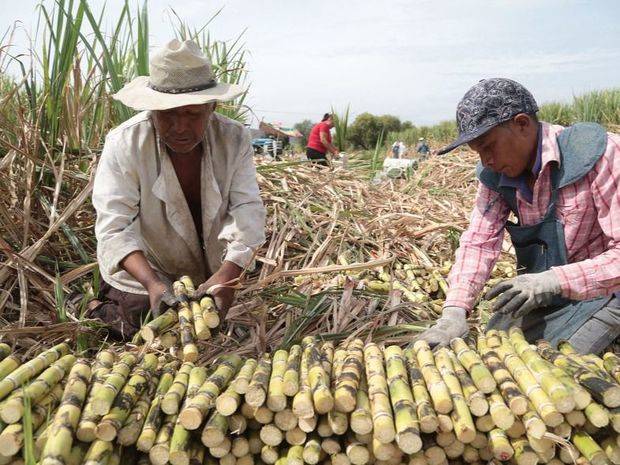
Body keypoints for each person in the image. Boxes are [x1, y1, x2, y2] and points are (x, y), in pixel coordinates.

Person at [417, 78, 620, 353]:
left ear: (522, 124)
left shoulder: (600, 153)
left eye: (489, 146)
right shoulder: (496, 176)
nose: (486, 160)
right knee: (497, 346)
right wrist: (454, 311)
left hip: (607, 290)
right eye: (477, 152)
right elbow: (479, 241)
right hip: (549, 294)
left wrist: (551, 281)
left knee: (556, 362)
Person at [89, 39, 266, 339]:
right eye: (168, 115)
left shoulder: (233, 139)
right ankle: (96, 303)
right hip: (148, 268)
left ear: (212, 107)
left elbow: (248, 210)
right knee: (139, 321)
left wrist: (228, 275)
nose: (180, 127)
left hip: (210, 269)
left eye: (193, 115)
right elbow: (114, 228)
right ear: (152, 109)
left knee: (213, 325)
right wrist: (153, 284)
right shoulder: (125, 144)